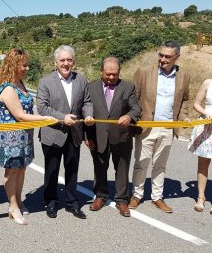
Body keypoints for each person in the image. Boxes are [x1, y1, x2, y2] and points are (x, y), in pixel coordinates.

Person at [129, 41, 190, 213]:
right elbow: (134, 97)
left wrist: (183, 116)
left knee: (160, 165)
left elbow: (184, 100)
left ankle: (157, 197)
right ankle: (137, 195)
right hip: (146, 126)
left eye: (167, 56)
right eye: (161, 55)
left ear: (177, 57)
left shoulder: (183, 75)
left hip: (168, 127)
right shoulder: (144, 72)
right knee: (141, 163)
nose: (163, 59)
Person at [0, 49, 54, 225]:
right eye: (24, 65)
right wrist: (45, 119)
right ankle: (12, 206)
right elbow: (20, 115)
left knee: (21, 170)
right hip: (12, 139)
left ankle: (19, 201)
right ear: (13, 65)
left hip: (24, 137)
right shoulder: (8, 88)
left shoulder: (20, 83)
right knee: (12, 172)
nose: (27, 68)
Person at [37, 45, 94, 219]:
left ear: (74, 61)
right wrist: (63, 117)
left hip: (74, 134)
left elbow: (86, 102)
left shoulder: (81, 80)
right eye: (62, 60)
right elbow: (42, 108)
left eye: (69, 60)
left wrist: (89, 115)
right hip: (53, 133)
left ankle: (71, 203)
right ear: (56, 62)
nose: (66, 63)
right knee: (52, 170)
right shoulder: (45, 81)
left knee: (72, 170)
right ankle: (51, 202)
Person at [85, 57, 141, 217]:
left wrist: (130, 116)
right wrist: (86, 137)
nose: (111, 77)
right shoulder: (90, 87)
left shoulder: (128, 87)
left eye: (114, 74)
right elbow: (85, 111)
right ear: (101, 71)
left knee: (122, 169)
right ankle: (101, 196)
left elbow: (136, 108)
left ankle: (122, 200)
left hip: (122, 137)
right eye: (108, 74)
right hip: (98, 136)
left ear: (119, 72)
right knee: (100, 168)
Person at [188, 79, 212, 213]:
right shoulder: (208, 83)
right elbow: (196, 104)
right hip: (206, 128)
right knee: (203, 164)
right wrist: (205, 113)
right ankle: (200, 197)